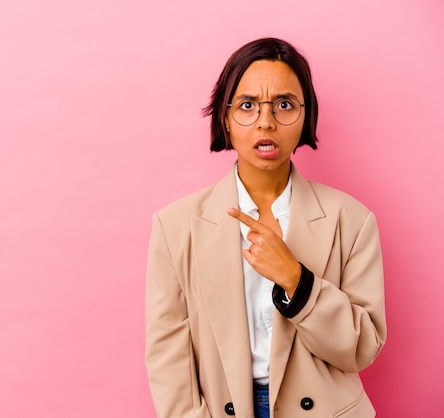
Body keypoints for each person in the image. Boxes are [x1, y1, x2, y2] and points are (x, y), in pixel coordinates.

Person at [145, 38, 386, 418]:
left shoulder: (351, 220)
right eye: (247, 105)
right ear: (225, 117)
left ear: (305, 116)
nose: (266, 121)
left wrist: (296, 280)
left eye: (285, 105)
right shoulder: (175, 227)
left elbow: (361, 348)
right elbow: (167, 357)